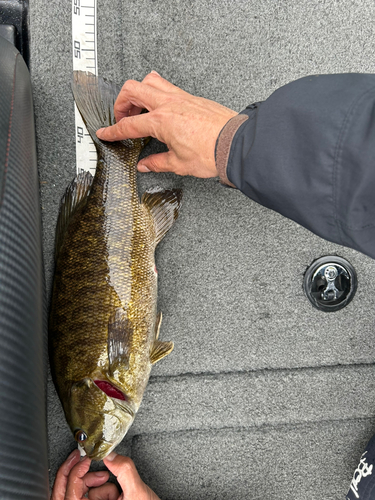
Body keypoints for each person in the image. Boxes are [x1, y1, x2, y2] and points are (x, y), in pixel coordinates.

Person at [52, 71, 375, 499]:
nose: (87, 444)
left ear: (98, 388)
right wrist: (235, 144)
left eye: (81, 433)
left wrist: (240, 144)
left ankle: (115, 157)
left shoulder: (112, 380)